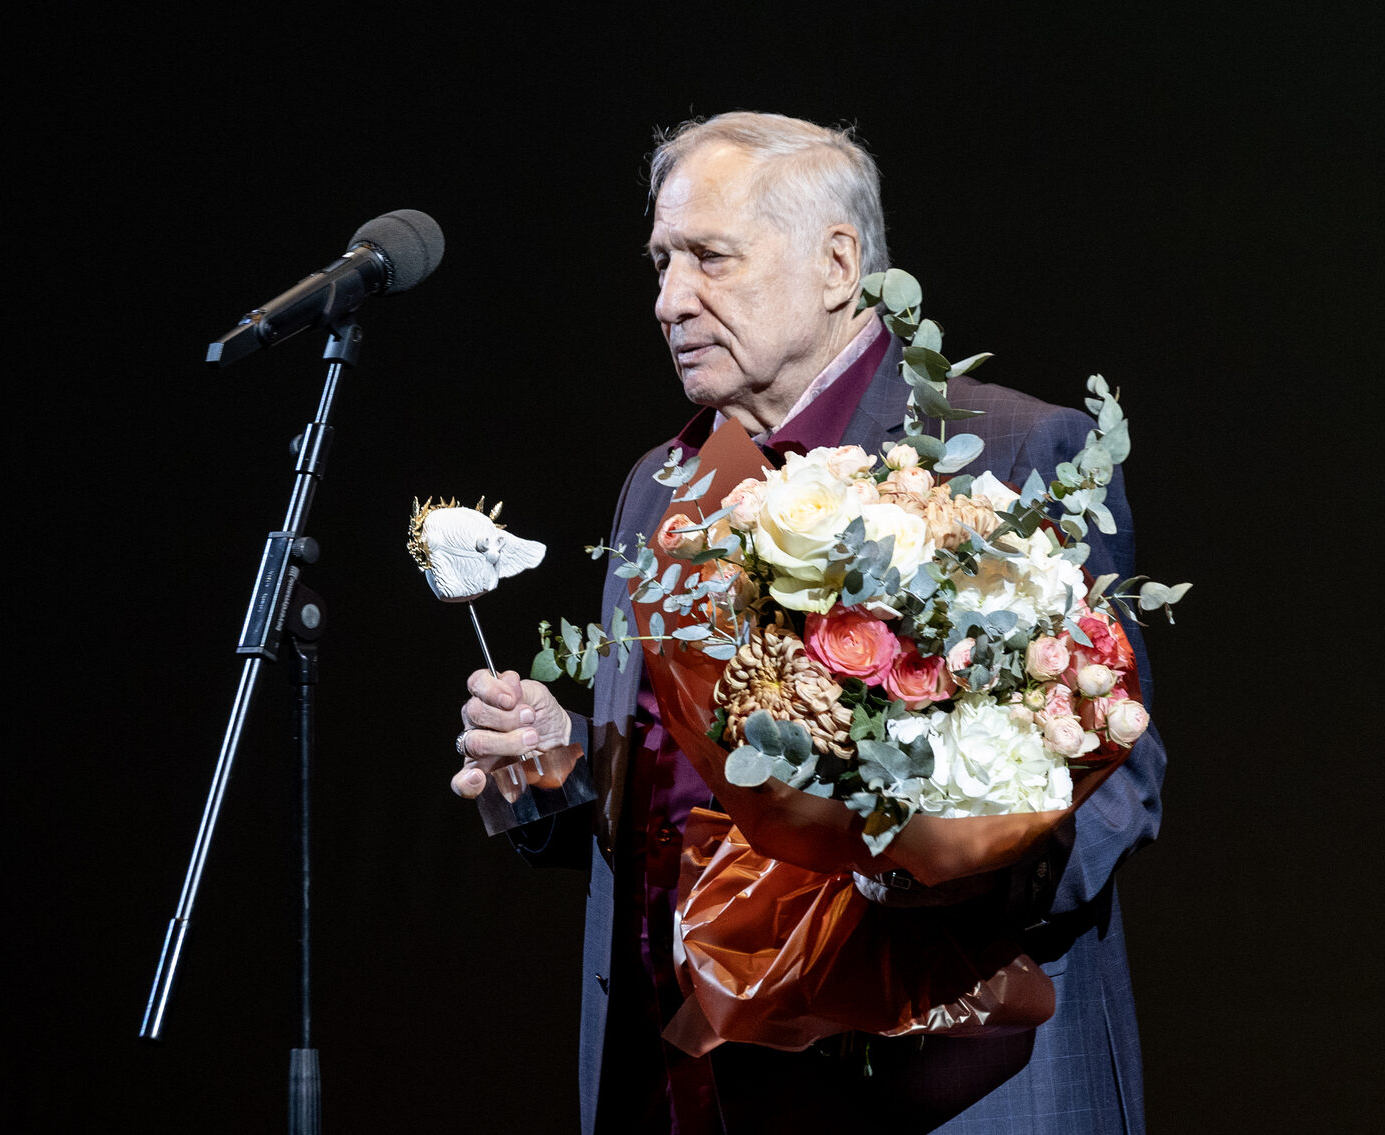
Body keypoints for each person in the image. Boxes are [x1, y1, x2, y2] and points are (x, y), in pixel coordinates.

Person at [451, 112, 1165, 1135]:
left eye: (709, 258)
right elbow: (678, 807)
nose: (668, 299)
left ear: (837, 264)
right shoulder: (662, 489)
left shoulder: (1006, 454)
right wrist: (560, 763)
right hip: (700, 1088)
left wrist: (931, 867)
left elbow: (1118, 787)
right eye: (660, 262)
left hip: (951, 1085)